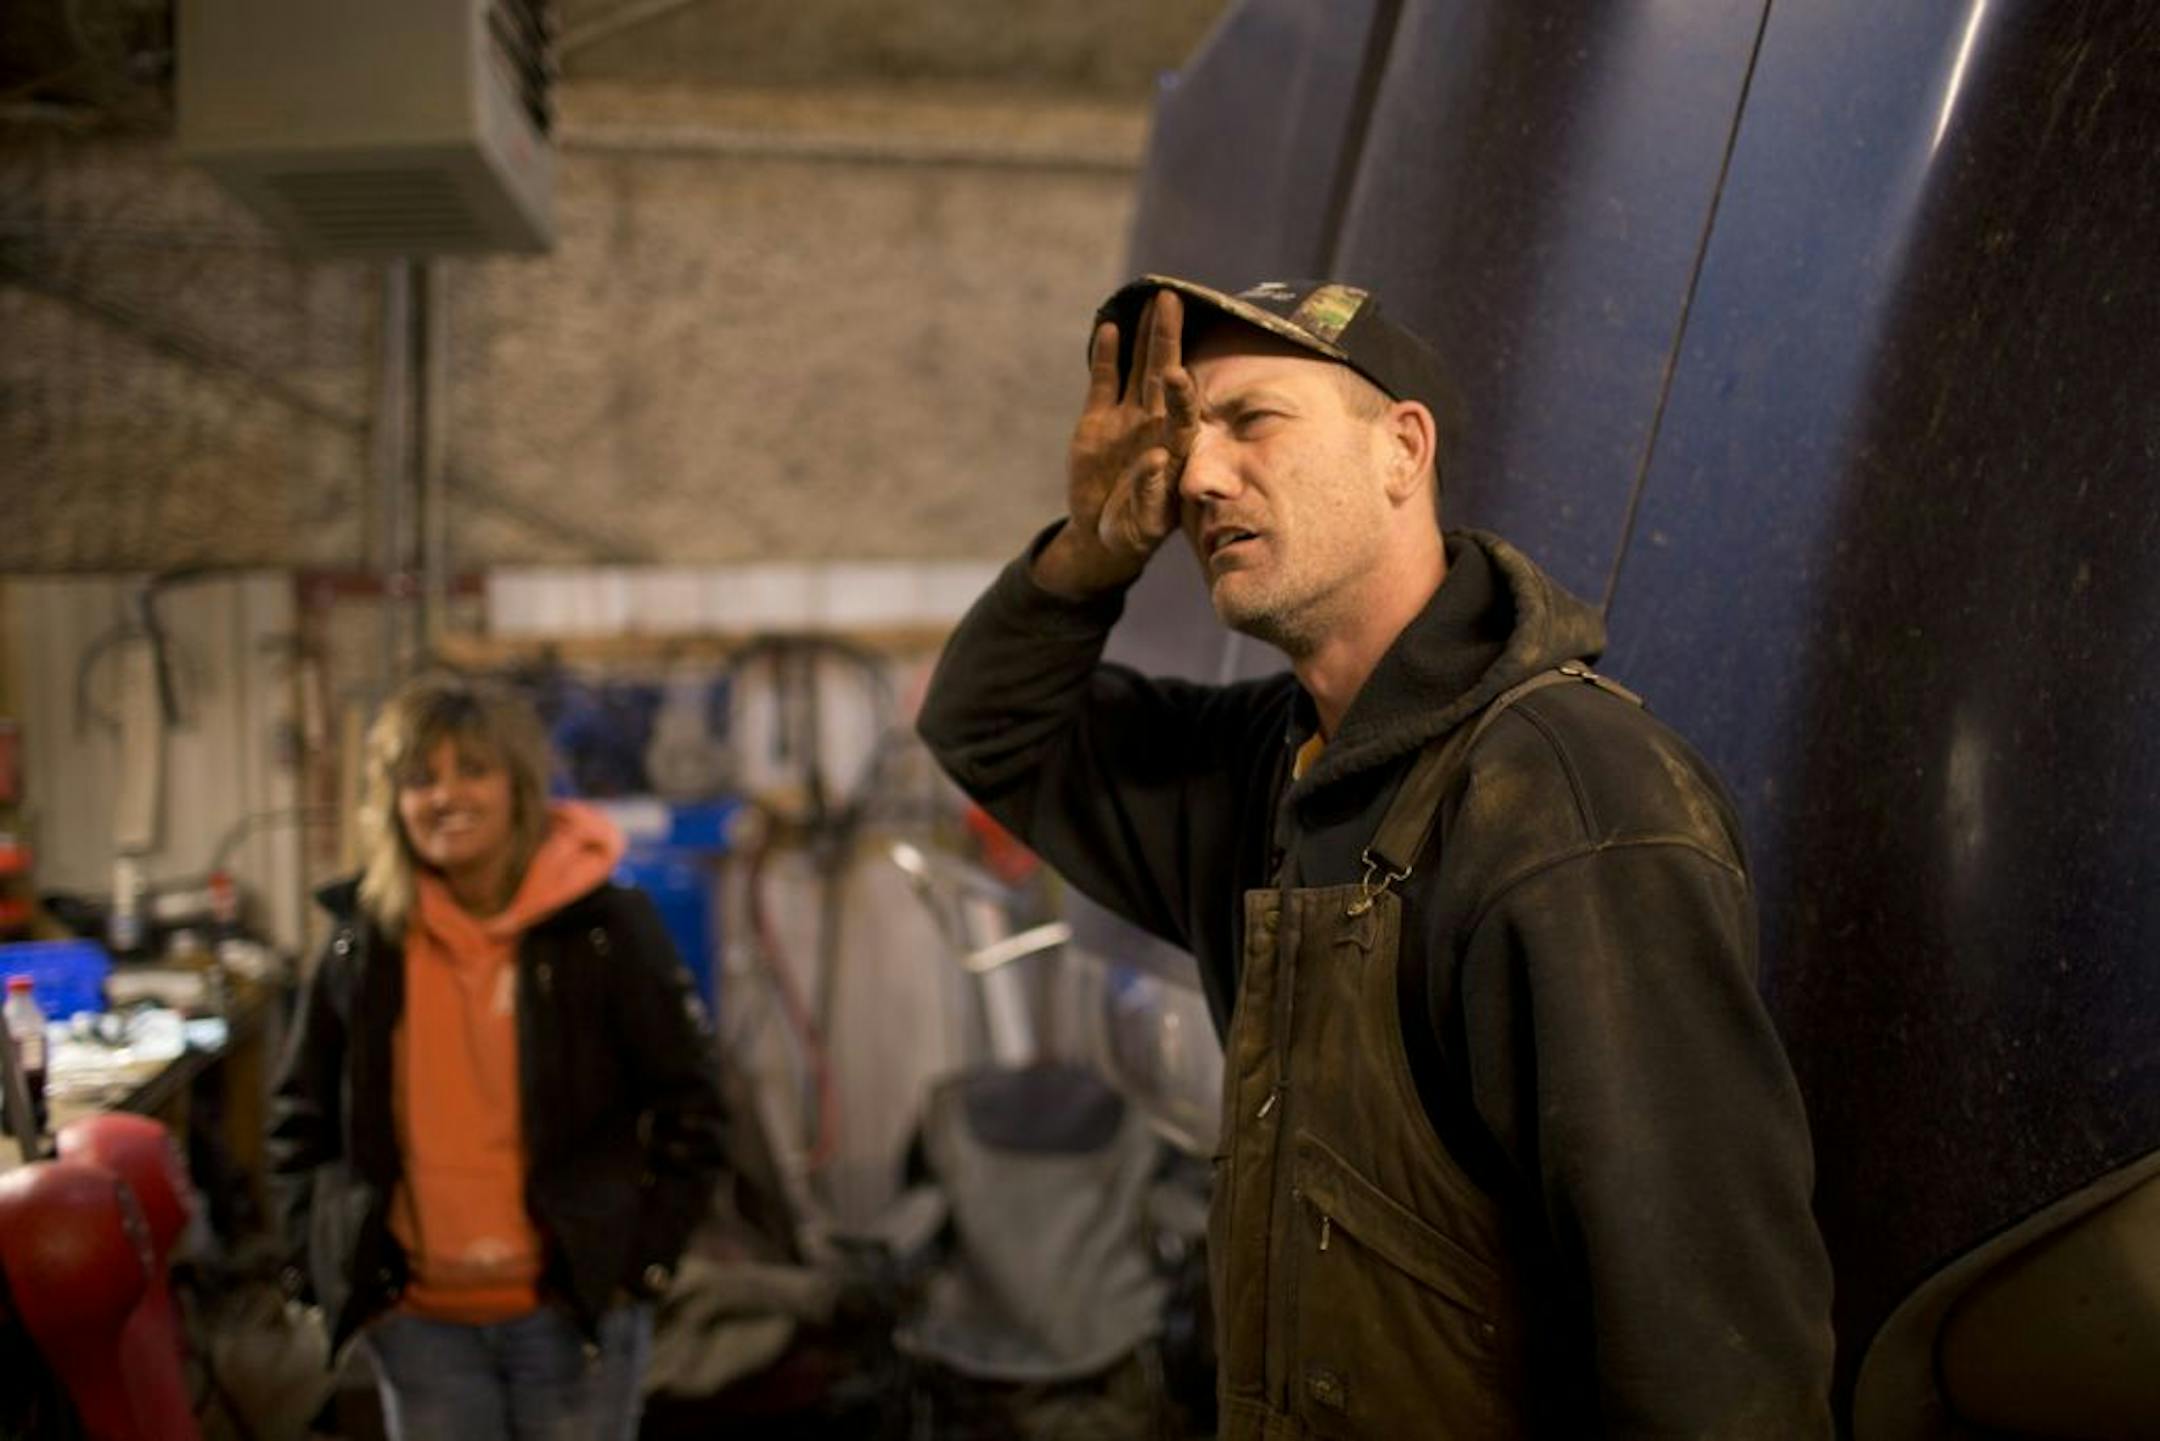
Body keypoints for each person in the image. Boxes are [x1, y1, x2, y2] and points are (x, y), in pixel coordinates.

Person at [916, 275, 1836, 1437]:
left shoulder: (1570, 798)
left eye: (1251, 421)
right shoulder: (1265, 766)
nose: (1196, 476)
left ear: (1402, 450)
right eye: (1188, 433)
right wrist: (1092, 555)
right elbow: (986, 728)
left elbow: (1712, 1348)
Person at [268, 673, 726, 1440]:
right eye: (421, 779)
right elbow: (298, 1115)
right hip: (417, 1323)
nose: (447, 796)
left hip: (573, 1313)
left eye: (471, 770)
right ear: (393, 801)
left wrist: (640, 1264)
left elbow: (693, 1103)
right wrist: (317, 1265)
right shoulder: (361, 940)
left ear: (518, 785)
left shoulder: (607, 928)